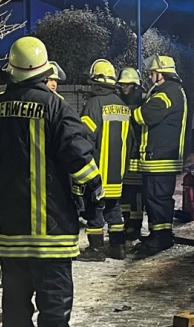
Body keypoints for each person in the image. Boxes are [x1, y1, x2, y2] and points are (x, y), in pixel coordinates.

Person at [0, 36, 103, 327]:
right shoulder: (56, 107)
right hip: (51, 225)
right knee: (54, 289)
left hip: (9, 228)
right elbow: (82, 164)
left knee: (15, 292)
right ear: (45, 71)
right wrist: (91, 203)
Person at [133, 55, 189, 256]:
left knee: (158, 198)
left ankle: (162, 238)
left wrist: (133, 108)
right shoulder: (170, 90)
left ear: (162, 73)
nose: (149, 75)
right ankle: (157, 234)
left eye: (152, 72)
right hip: (159, 156)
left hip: (161, 157)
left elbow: (144, 115)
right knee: (154, 197)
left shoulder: (168, 92)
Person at [78, 60, 133, 261]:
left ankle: (96, 249)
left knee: (94, 210)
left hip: (97, 171)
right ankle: (118, 248)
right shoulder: (122, 106)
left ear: (95, 81)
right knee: (114, 209)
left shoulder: (94, 104)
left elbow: (85, 138)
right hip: (117, 173)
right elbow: (131, 141)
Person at [117, 67, 146, 241]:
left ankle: (135, 226)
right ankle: (127, 224)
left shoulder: (143, 103)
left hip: (136, 154)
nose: (125, 88)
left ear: (135, 86)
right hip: (123, 154)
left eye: (128, 85)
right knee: (125, 193)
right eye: (122, 85)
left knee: (136, 194)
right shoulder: (119, 101)